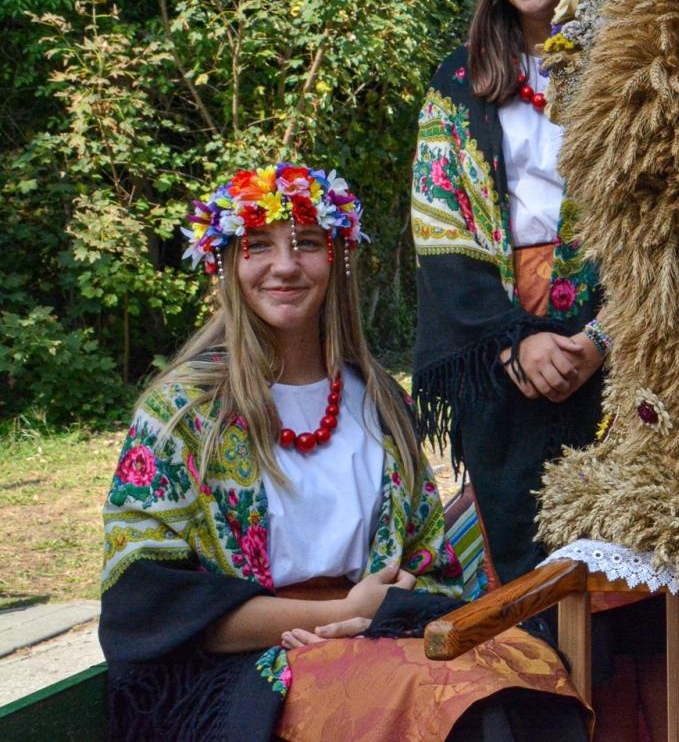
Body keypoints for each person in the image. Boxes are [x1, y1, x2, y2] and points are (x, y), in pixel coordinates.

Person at [99, 162, 589, 741]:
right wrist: (342, 614)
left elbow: (433, 570)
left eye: (307, 243)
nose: (285, 265)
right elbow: (148, 606)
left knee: (525, 672)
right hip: (246, 671)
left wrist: (380, 613)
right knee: (447, 700)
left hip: (383, 637)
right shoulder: (182, 413)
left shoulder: (380, 404)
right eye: (259, 245)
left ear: (337, 259)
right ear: (226, 264)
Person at [411, 0, 609, 586]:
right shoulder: (460, 80)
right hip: (501, 327)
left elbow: (671, 218)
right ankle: (541, 661)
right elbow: (442, 226)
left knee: (633, 537)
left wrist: (601, 339)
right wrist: (511, 345)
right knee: (526, 543)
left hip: (617, 317)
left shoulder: (634, 64)